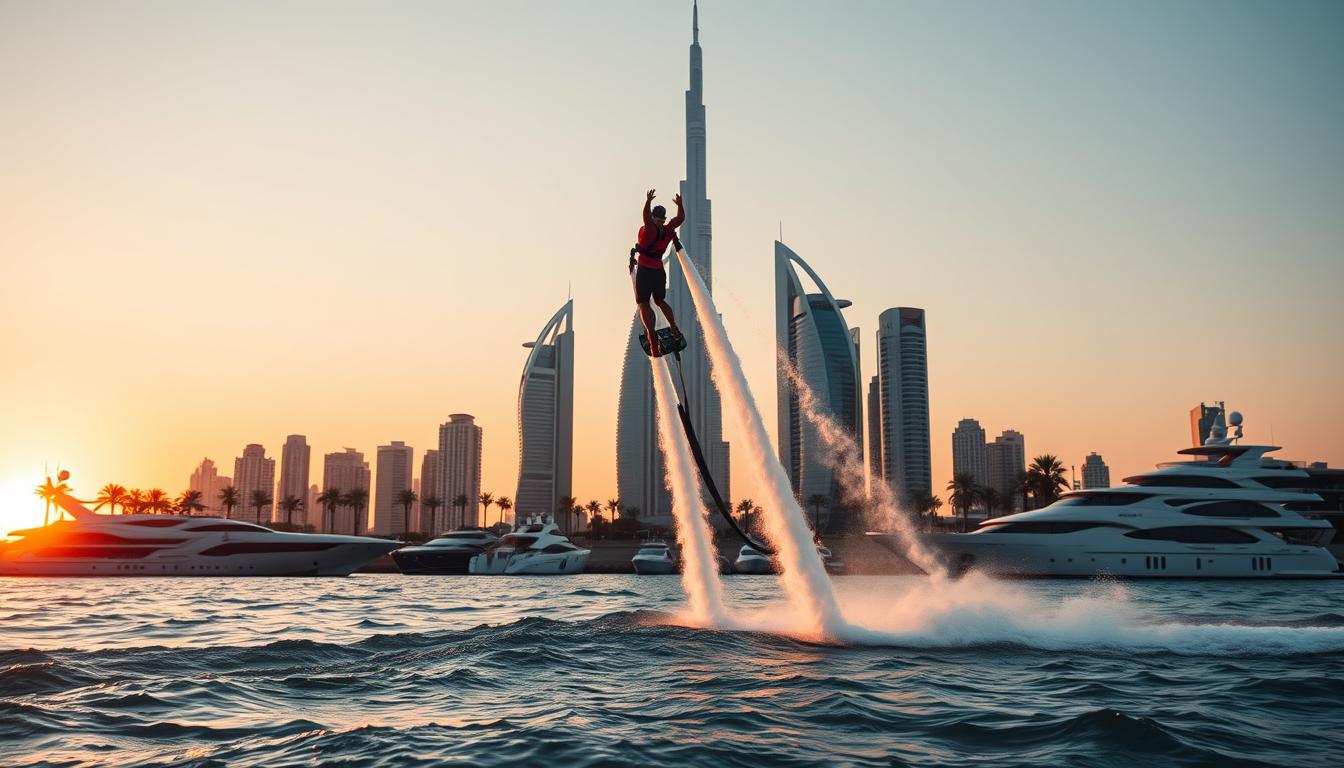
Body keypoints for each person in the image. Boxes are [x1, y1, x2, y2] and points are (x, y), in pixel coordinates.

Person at [629, 188, 684, 355]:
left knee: (644, 303)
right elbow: (680, 219)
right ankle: (674, 327)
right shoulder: (668, 230)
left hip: (645, 270)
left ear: (654, 218)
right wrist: (680, 205)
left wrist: (647, 201)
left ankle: (652, 338)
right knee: (660, 300)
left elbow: (645, 217)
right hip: (659, 271)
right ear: (664, 218)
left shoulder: (650, 229)